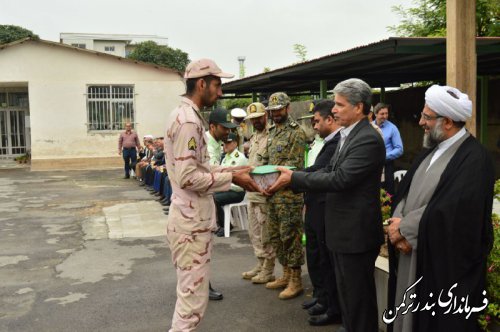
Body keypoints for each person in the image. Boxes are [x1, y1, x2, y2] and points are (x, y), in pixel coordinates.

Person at [268, 78, 385, 332]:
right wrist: (294, 175)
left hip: (356, 234)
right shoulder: (348, 135)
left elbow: (340, 178)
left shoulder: (367, 139)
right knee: (348, 296)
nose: (334, 109)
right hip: (343, 232)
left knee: (359, 299)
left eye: (340, 105)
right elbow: (328, 170)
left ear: (359, 107)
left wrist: (294, 177)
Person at [386, 85, 494, 332]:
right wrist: (397, 223)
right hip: (411, 250)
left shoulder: (475, 159)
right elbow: (406, 191)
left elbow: (455, 209)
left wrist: (407, 228)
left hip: (442, 265)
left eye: (427, 116)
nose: (421, 122)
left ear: (446, 122)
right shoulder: (430, 151)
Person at [164, 58, 261, 332]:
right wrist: (233, 177)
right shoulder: (188, 122)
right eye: (217, 85)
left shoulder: (186, 116)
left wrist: (239, 169)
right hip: (190, 226)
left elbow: (199, 168)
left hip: (190, 222)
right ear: (202, 83)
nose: (220, 93)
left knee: (189, 301)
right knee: (190, 309)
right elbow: (188, 177)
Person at [302, 100, 343, 326]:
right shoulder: (324, 141)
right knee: (316, 255)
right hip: (314, 203)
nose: (314, 126)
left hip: (324, 206)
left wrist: (292, 176)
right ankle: (322, 297)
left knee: (326, 260)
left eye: (317, 121)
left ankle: (331, 305)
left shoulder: (337, 142)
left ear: (330, 119)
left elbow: (321, 171)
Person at [264, 92, 306, 300]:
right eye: (272, 111)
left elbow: (294, 168)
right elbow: (266, 162)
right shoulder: (271, 131)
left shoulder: (296, 133)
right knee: (275, 236)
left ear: (288, 108)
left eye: (278, 109)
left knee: (291, 236)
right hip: (272, 194)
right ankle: (286, 274)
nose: (275, 114)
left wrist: (271, 185)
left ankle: (296, 279)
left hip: (288, 196)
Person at [241, 102, 276, 283]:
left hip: (264, 191)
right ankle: (260, 262)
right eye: (252, 119)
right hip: (251, 191)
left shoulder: (273, 136)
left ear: (265, 116)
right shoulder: (254, 137)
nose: (255, 122)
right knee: (253, 231)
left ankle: (268, 268)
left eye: (258, 118)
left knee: (265, 232)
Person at [214, 132, 249, 237]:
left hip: (237, 191)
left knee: (215, 199)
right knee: (208, 195)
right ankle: (218, 224)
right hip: (226, 188)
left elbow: (232, 177)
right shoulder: (225, 158)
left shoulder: (240, 158)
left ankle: (226, 226)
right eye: (224, 143)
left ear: (235, 143)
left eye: (228, 143)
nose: (225, 145)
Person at [373, 103, 403, 195]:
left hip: (387, 165)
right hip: (372, 165)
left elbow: (399, 149)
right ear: (376, 114)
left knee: (387, 194)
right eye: (382, 114)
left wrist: (383, 157)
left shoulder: (392, 128)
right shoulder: (370, 127)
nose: (385, 116)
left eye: (386, 113)